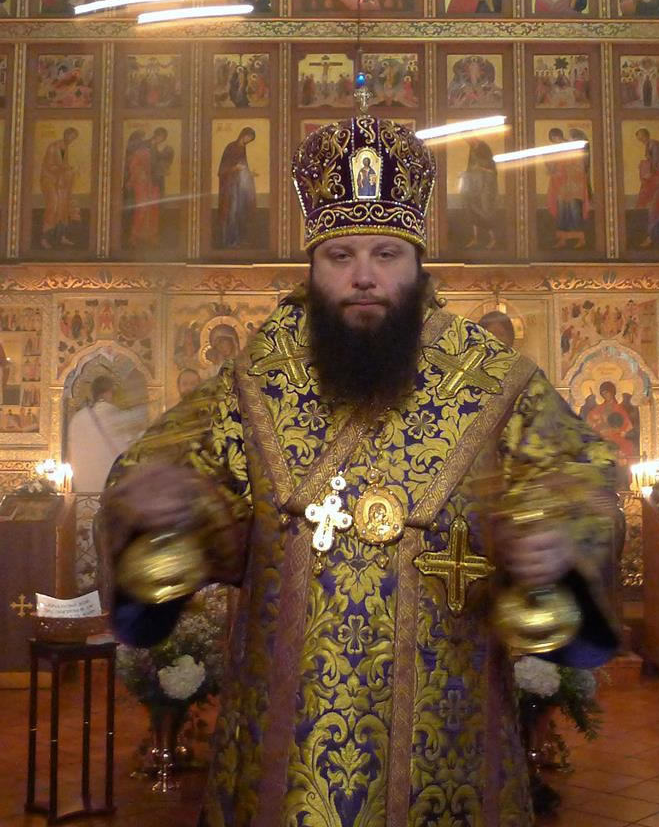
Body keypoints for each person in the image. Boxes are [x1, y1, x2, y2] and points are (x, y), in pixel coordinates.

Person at [104, 116, 619, 827]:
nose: (364, 276)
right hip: (283, 737)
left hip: (450, 732)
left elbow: (580, 477)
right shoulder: (256, 378)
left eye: (386, 254)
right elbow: (175, 481)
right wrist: (167, 512)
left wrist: (555, 541)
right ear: (312, 268)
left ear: (418, 264)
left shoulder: (493, 379)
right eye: (340, 256)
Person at [68, 375, 147, 493]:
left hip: (85, 494)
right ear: (109, 393)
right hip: (110, 492)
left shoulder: (77, 418)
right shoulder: (115, 416)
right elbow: (132, 447)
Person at [544, 128, 592, 249]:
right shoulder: (559, 150)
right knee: (562, 212)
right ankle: (562, 238)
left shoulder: (573, 148)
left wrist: (562, 168)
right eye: (553, 139)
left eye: (556, 138)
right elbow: (554, 168)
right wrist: (550, 165)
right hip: (563, 186)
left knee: (574, 211)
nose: (555, 141)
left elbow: (580, 166)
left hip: (575, 186)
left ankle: (581, 238)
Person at [39, 126, 79, 248]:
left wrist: (70, 170)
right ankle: (44, 239)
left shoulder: (64, 147)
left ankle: (61, 237)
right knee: (53, 206)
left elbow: (62, 165)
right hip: (50, 181)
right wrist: (68, 170)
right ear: (66, 135)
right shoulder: (54, 147)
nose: (72, 140)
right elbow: (50, 166)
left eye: (74, 138)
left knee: (63, 207)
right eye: (71, 137)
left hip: (60, 181)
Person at [635, 127, 659, 248]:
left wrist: (649, 174)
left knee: (653, 208)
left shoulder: (654, 145)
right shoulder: (650, 146)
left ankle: (650, 237)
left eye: (639, 136)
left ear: (644, 135)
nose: (639, 139)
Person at [218, 127, 256, 248]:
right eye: (248, 137)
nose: (248, 140)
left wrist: (249, 173)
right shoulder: (231, 147)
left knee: (241, 211)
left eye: (250, 139)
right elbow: (222, 168)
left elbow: (243, 167)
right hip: (231, 185)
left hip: (240, 185)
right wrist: (235, 168)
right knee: (232, 211)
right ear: (243, 134)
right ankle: (230, 241)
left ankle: (238, 240)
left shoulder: (242, 148)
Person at [458, 139, 498, 249]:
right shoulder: (473, 150)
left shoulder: (484, 151)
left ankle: (493, 239)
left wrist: (479, 167)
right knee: (472, 212)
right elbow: (471, 169)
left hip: (484, 189)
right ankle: (476, 238)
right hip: (474, 187)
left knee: (485, 213)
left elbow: (491, 170)